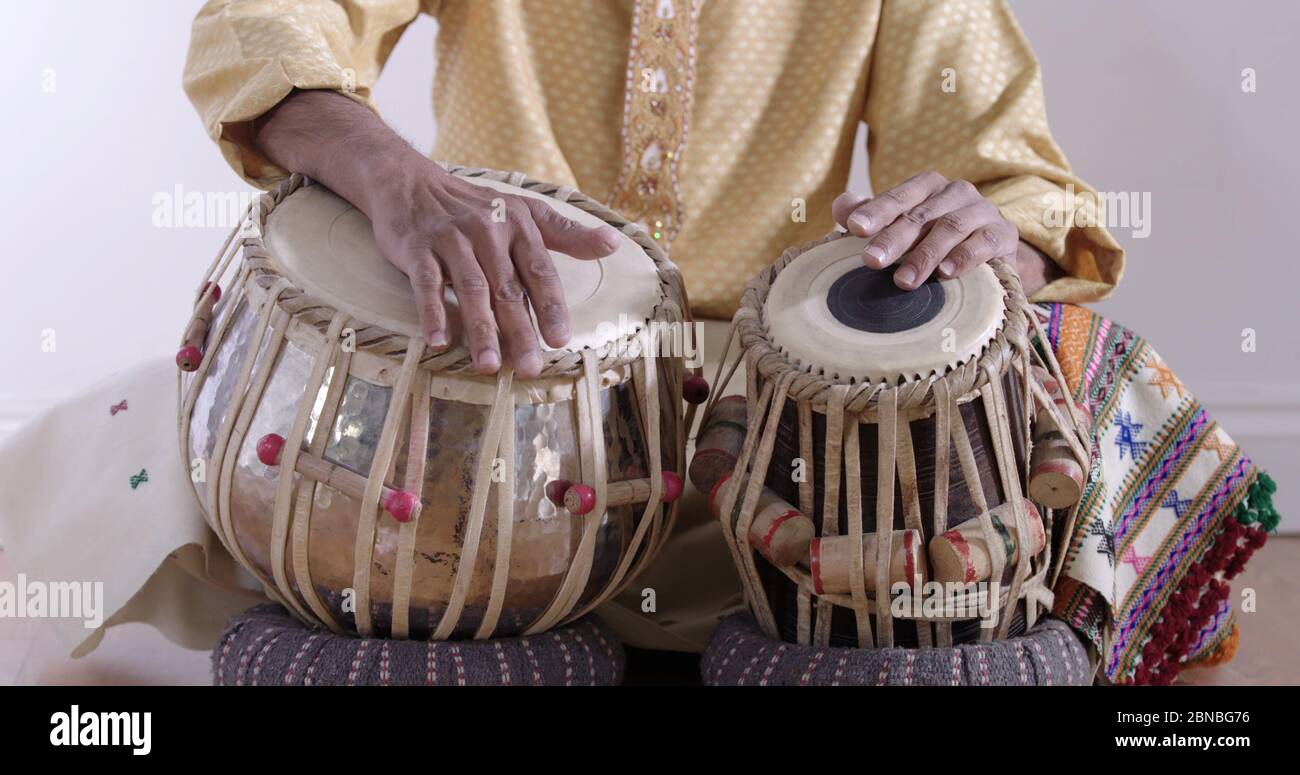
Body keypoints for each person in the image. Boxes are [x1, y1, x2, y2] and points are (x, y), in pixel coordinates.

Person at [0, 0, 1264, 685]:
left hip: (769, 439)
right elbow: (263, 22)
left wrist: (987, 235)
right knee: (172, 423)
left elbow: (1023, 186)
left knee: (1108, 390)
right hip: (488, 396)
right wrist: (390, 176)